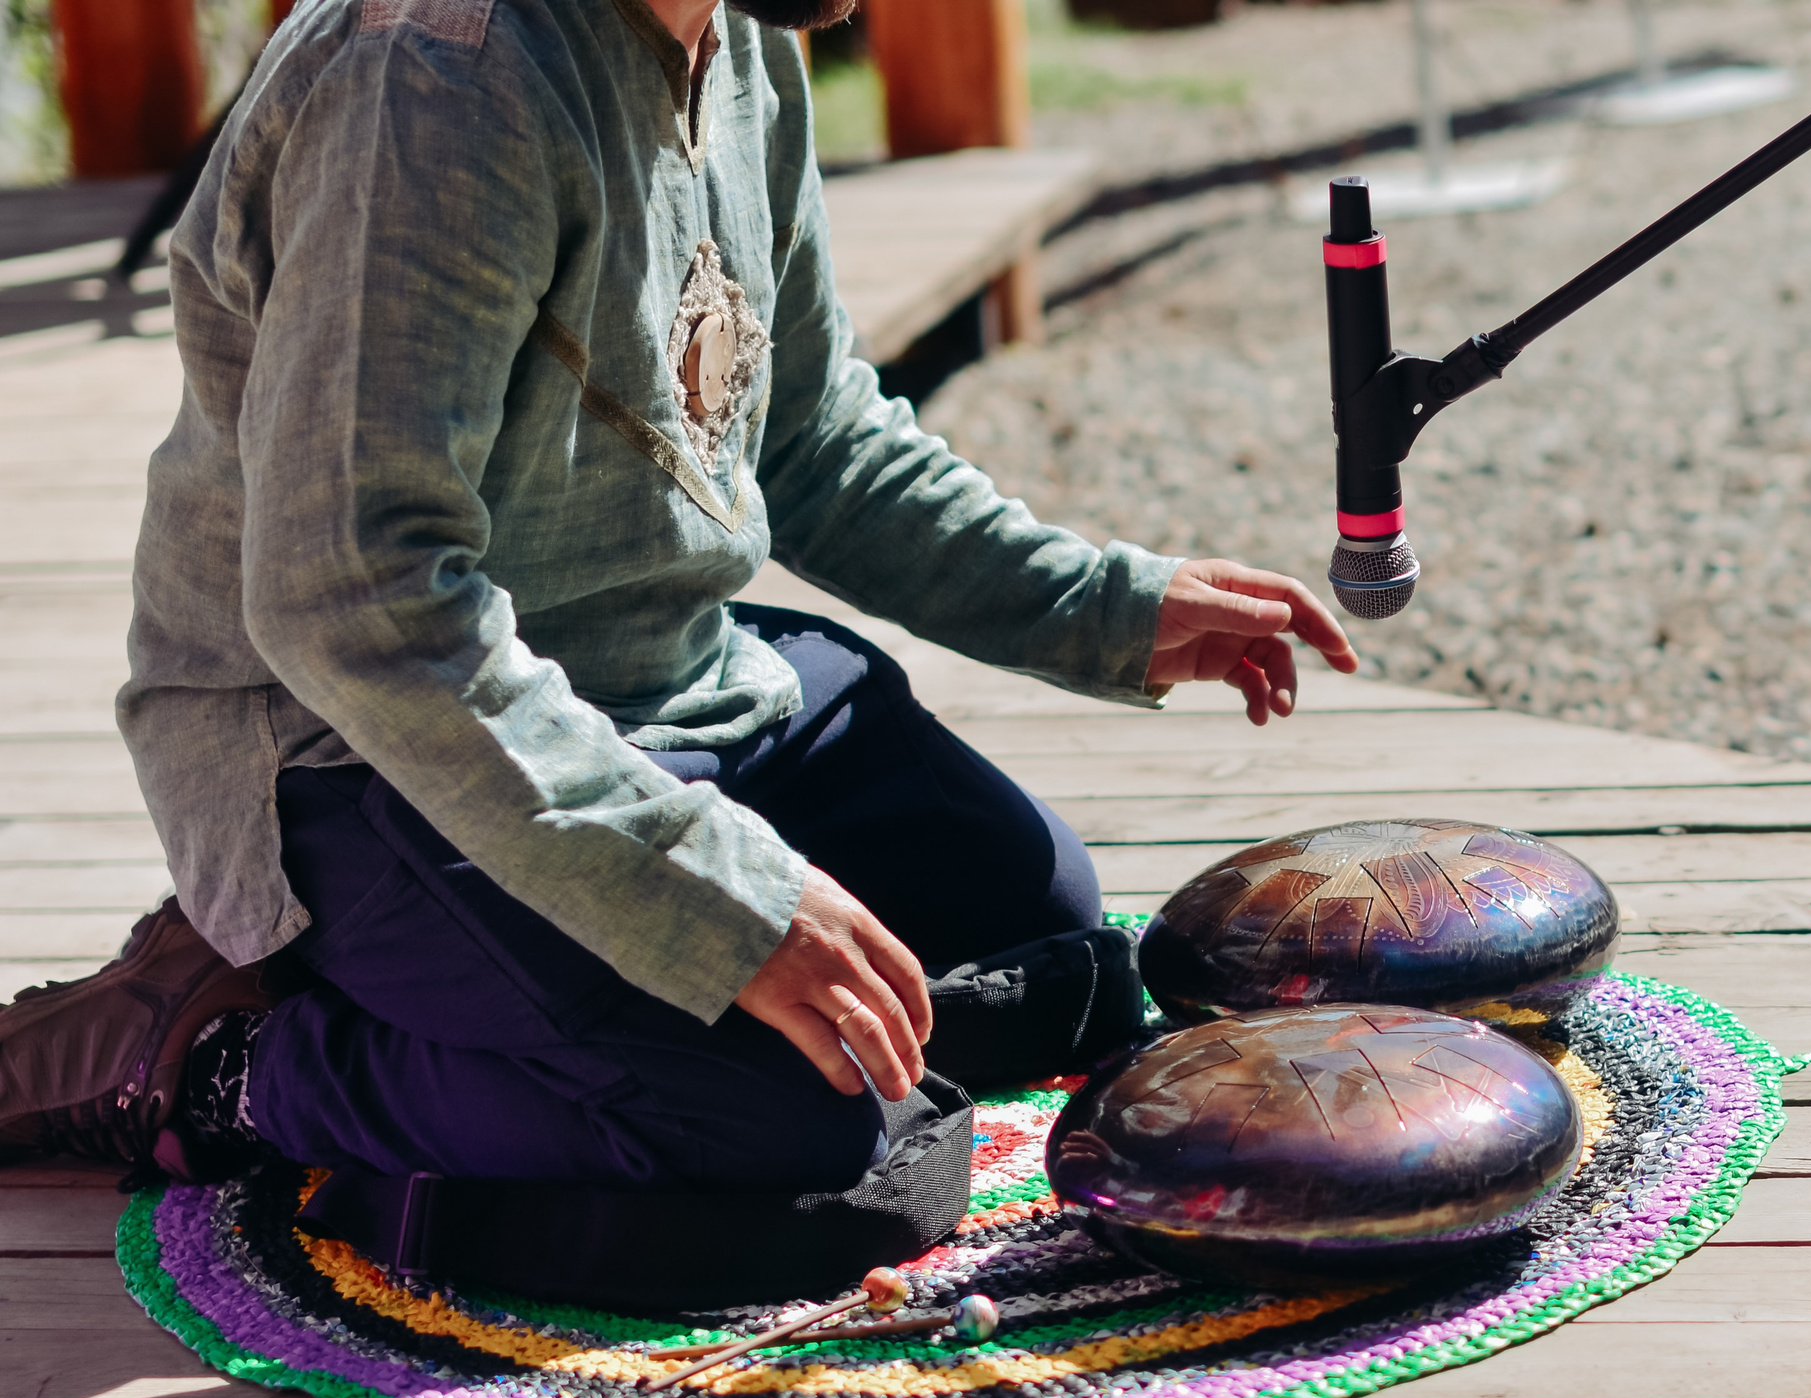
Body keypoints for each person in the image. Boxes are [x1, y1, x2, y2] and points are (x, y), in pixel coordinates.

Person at [0, 0, 1356, 1194]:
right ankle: (218, 1056)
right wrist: (713, 895)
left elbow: (813, 440)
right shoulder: (428, 80)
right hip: (353, 753)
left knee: (1043, 940)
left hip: (662, 683)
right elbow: (355, 599)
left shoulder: (749, 29)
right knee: (786, 1131)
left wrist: (1107, 607)